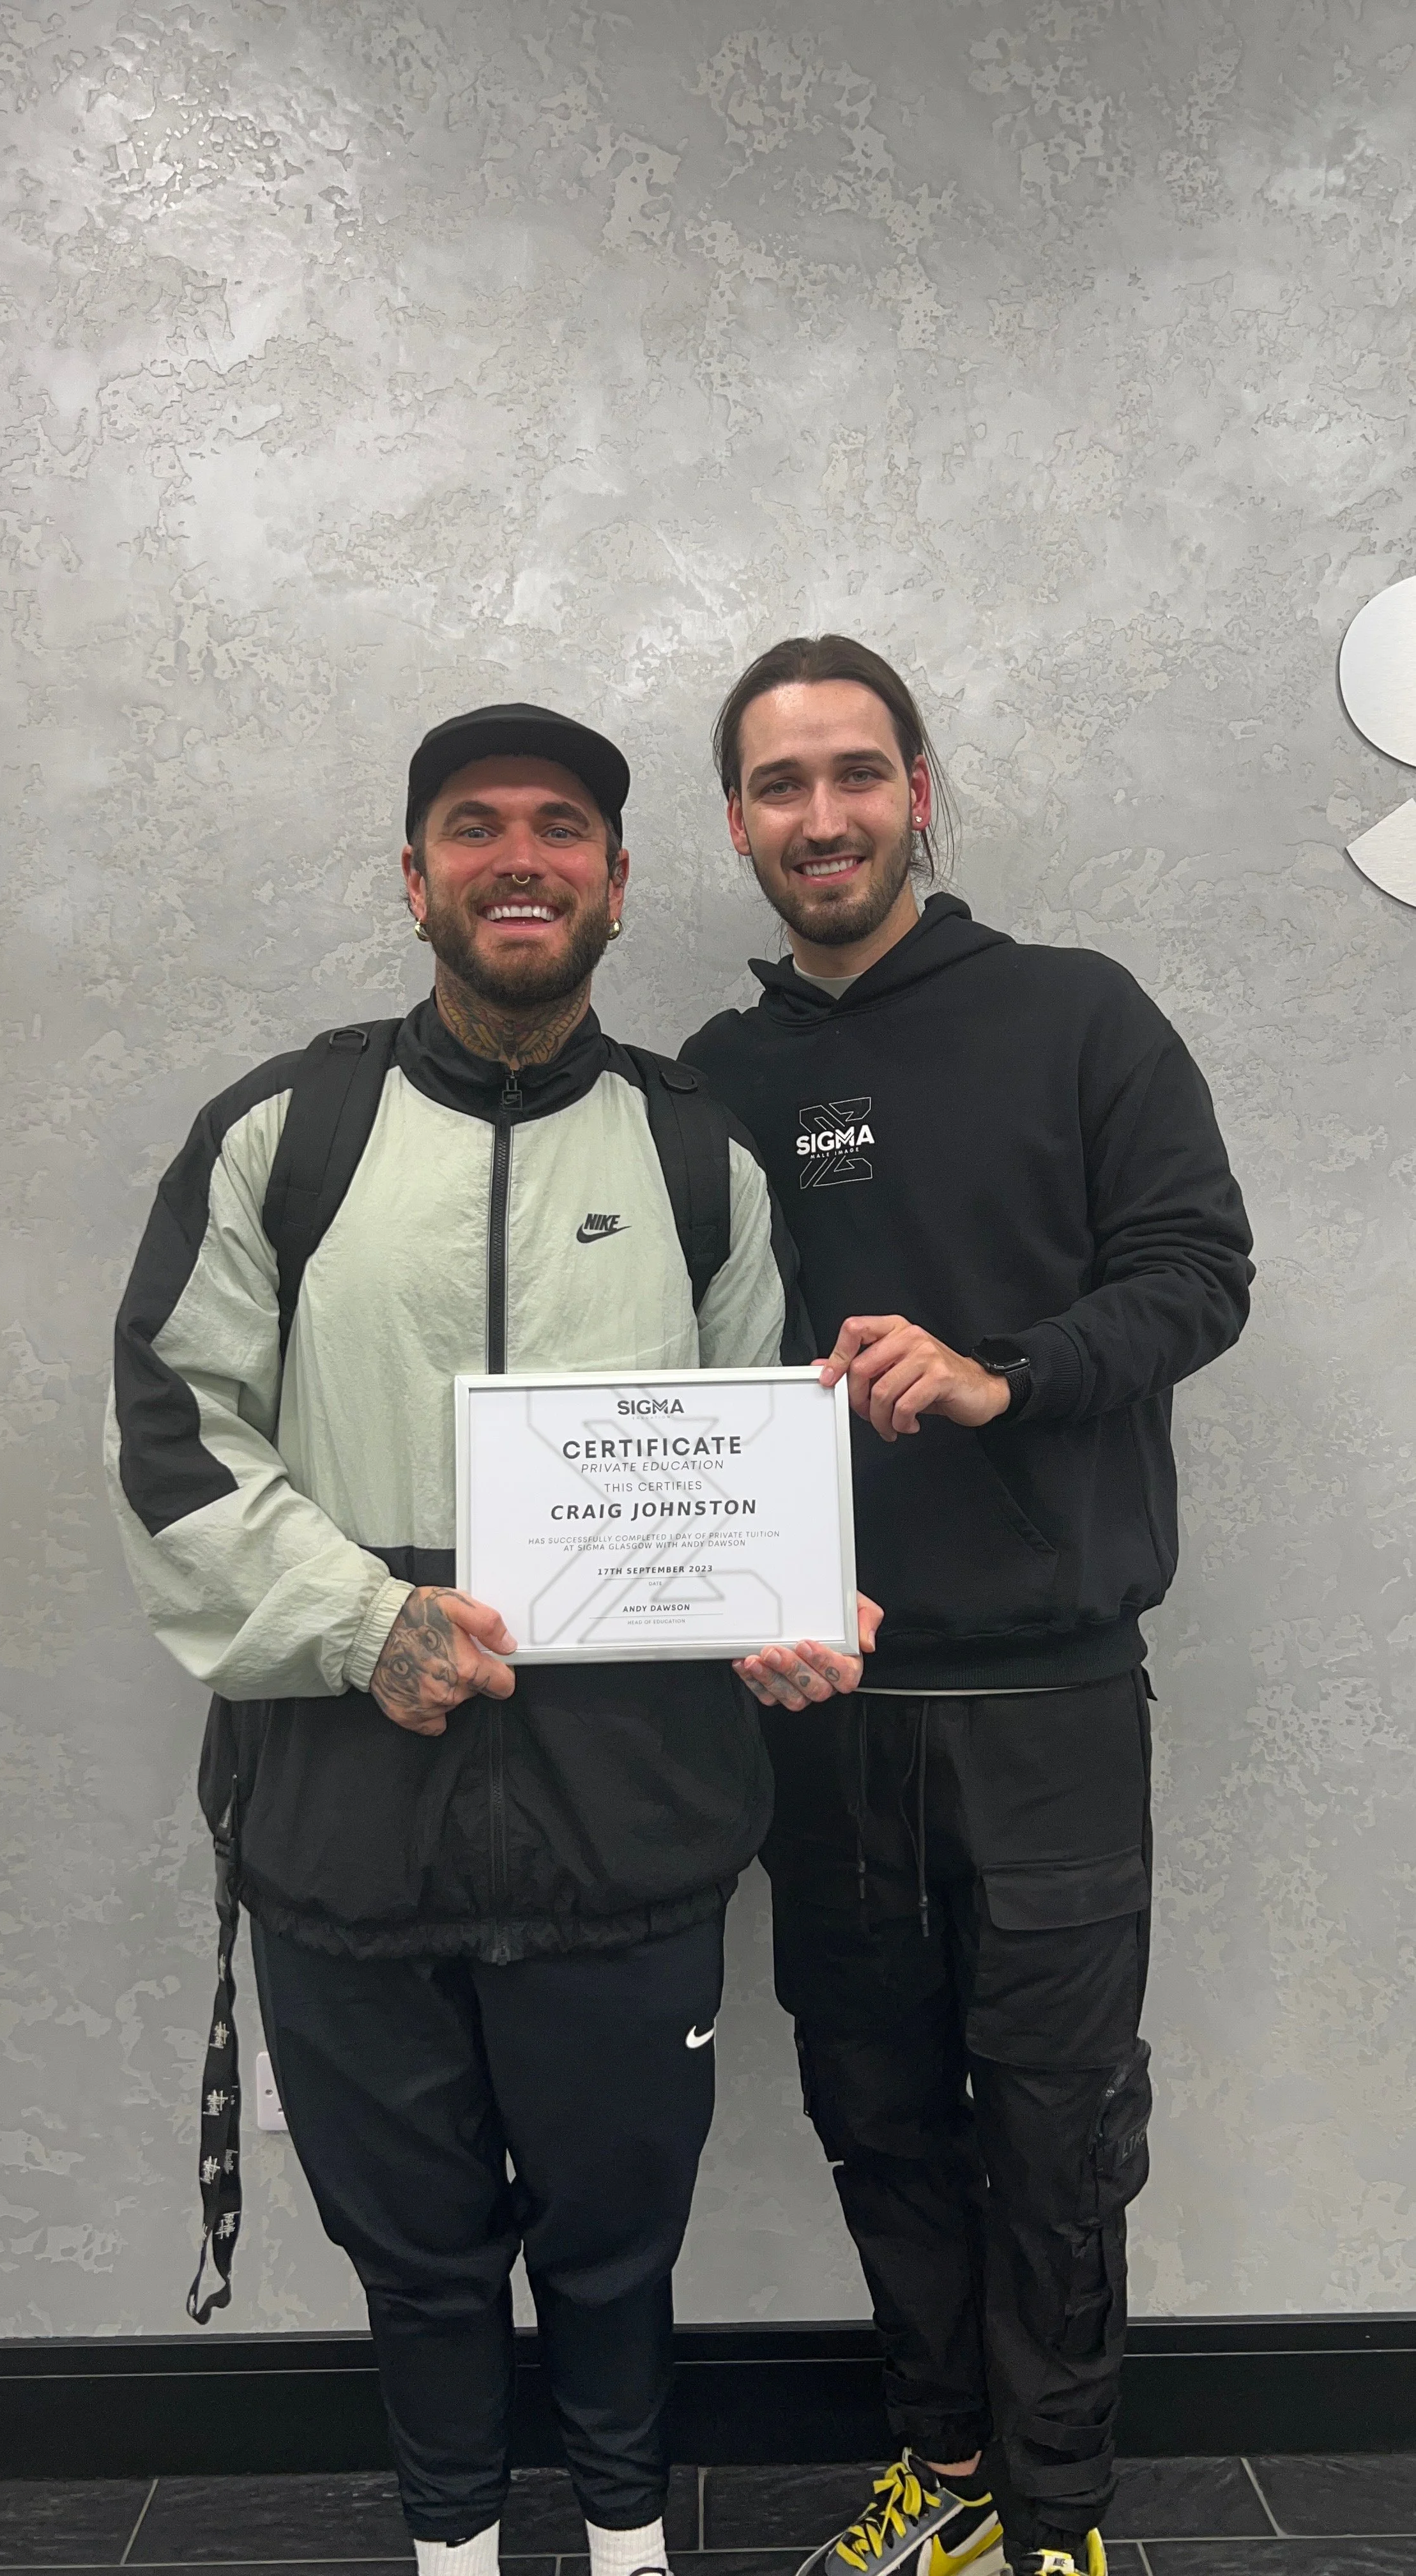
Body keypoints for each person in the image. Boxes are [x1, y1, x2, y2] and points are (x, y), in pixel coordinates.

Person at [106, 700, 876, 2576]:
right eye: (472, 826)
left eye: (558, 828)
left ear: (618, 882)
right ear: (414, 875)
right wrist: (365, 1622)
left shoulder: (700, 1154)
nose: (515, 857)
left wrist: (785, 1605)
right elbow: (171, 1426)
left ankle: (627, 2542)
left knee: (619, 2228)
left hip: (631, 1816)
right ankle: (451, 2548)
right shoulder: (283, 1133)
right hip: (347, 1810)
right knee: (417, 2246)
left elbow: (764, 1431)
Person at [680, 638, 1254, 2576]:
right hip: (817, 1708)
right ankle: (936, 2476)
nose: (820, 816)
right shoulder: (712, 1085)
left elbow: (1197, 1270)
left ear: (920, 789)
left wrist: (1009, 1373)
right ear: (737, 821)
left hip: (1050, 1704)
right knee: (877, 2118)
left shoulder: (1078, 1018)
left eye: (856, 773)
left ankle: (1063, 2518)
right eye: (779, 785)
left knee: (1060, 2131)